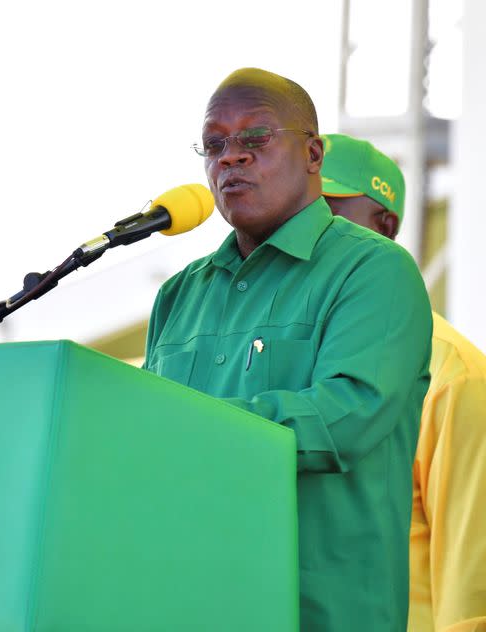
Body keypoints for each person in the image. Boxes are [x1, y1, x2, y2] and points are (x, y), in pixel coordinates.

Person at [143, 68, 432, 632]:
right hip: (185, 603)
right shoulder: (179, 295)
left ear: (314, 155)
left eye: (256, 138)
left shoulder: (373, 270)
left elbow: (346, 415)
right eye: (215, 144)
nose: (231, 158)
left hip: (319, 612)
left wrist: (174, 429)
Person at [321, 133, 486, 632]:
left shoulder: (453, 372)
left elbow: (470, 597)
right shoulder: (287, 357)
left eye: (327, 212)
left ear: (384, 225)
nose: (305, 233)